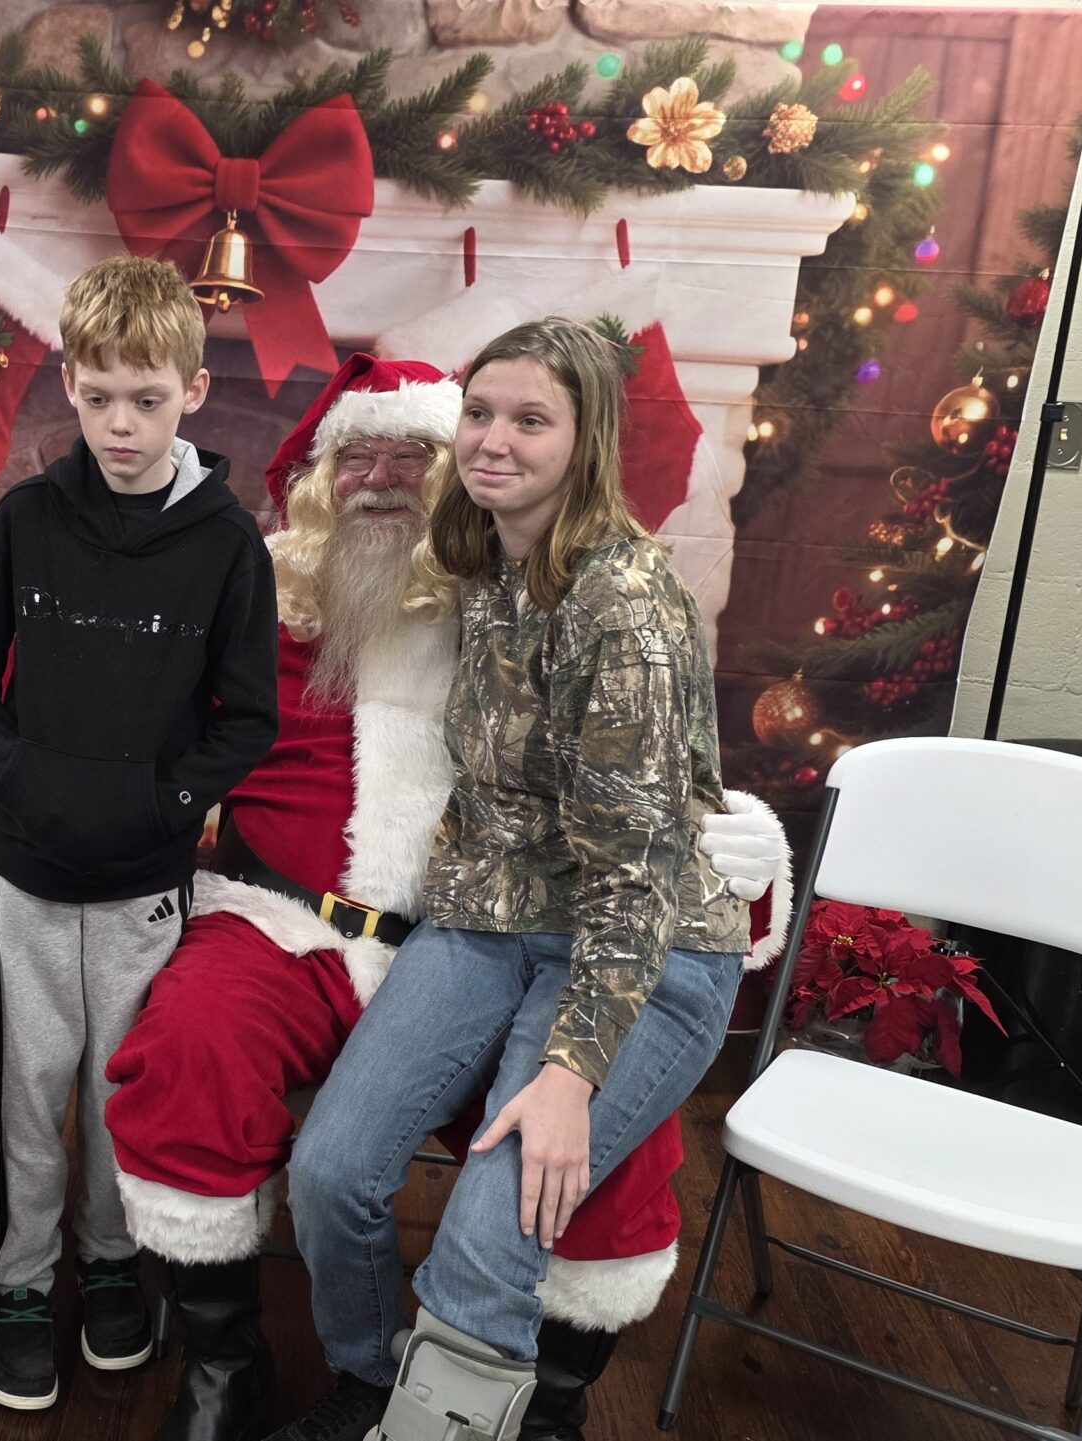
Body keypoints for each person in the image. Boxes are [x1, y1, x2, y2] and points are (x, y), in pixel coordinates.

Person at [101, 354, 788, 1441]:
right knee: (192, 1052)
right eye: (356, 455)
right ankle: (235, 1364)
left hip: (490, 932)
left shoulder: (542, 593)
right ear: (319, 480)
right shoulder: (257, 597)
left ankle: (543, 1402)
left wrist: (730, 833)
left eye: (409, 455)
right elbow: (133, 726)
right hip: (285, 922)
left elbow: (645, 774)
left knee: (587, 1154)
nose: (380, 479)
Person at [266, 320, 756, 1441]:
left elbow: (633, 878)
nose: (492, 440)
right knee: (332, 1170)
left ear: (587, 440)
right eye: (480, 413)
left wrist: (571, 1074)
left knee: (492, 1224)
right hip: (486, 918)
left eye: (530, 419)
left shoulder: (624, 605)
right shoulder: (477, 551)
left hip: (641, 948)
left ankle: (444, 1424)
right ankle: (369, 1385)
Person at [0, 255, 282, 1411]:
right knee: (28, 1091)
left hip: (145, 876)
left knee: (113, 1092)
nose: (121, 424)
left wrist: (164, 801)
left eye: (146, 398)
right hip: (27, 873)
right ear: (69, 389)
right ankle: (22, 1282)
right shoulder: (24, 522)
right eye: (98, 398)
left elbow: (247, 718)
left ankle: (110, 1261)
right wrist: (21, 780)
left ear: (193, 390)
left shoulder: (227, 546)